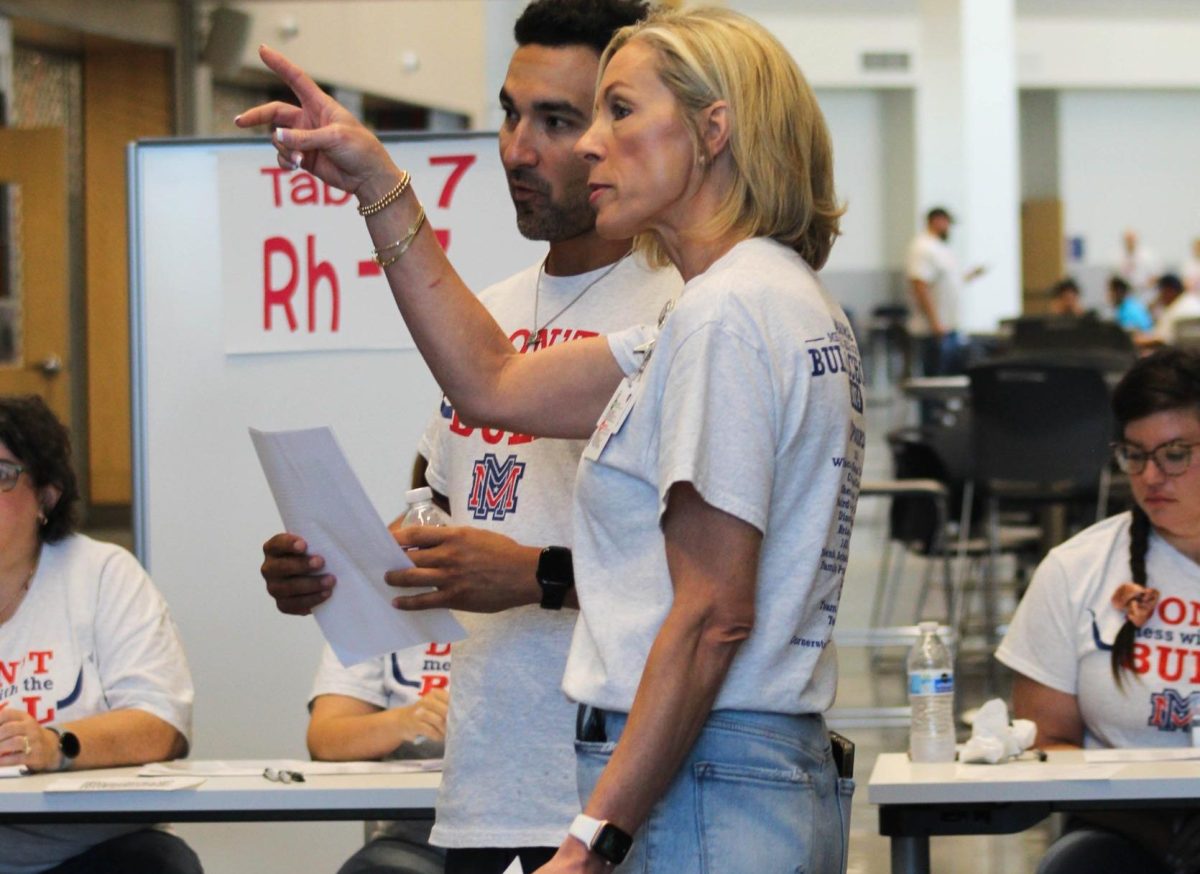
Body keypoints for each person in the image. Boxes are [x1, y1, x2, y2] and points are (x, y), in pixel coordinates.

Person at [240, 6, 862, 872]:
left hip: (710, 773)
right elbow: (491, 381)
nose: (591, 146)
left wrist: (591, 840)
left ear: (713, 129)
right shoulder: (756, 299)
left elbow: (714, 613)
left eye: (617, 112)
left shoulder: (727, 314)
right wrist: (377, 179)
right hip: (735, 769)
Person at [256, 3, 679, 873]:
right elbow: (445, 535)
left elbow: (717, 593)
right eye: (511, 112)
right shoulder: (483, 315)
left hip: (625, 802)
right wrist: (342, 572)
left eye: (556, 121)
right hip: (487, 795)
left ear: (624, 128)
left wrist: (529, 576)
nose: (517, 149)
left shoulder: (685, 310)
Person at [996, 348, 1200, 874]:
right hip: (1125, 829)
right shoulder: (1075, 569)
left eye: (1174, 454)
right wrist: (1162, 833)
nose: (1151, 475)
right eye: (1134, 454)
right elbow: (1045, 740)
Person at [0, 395, 199, 874]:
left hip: (92, 851)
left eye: (0, 475)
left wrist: (53, 744)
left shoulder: (102, 575)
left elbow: (161, 725)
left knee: (163, 866)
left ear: (47, 496)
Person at [307, 641, 452, 874]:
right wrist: (402, 722)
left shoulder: (527, 611)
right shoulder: (371, 612)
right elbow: (325, 741)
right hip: (416, 843)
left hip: (524, 837)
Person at [905, 206, 985, 377]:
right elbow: (920, 285)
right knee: (934, 381)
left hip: (948, 327)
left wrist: (971, 275)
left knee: (949, 377)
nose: (949, 228)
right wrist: (935, 323)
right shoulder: (922, 247)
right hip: (934, 329)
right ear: (937, 221)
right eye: (947, 223)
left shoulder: (941, 248)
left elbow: (949, 282)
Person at [1141, 272, 1200, 348]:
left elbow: (1161, 339)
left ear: (1169, 290)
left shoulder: (1174, 309)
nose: (1160, 296)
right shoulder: (1192, 301)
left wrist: (1136, 340)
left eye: (1161, 292)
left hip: (1176, 355)